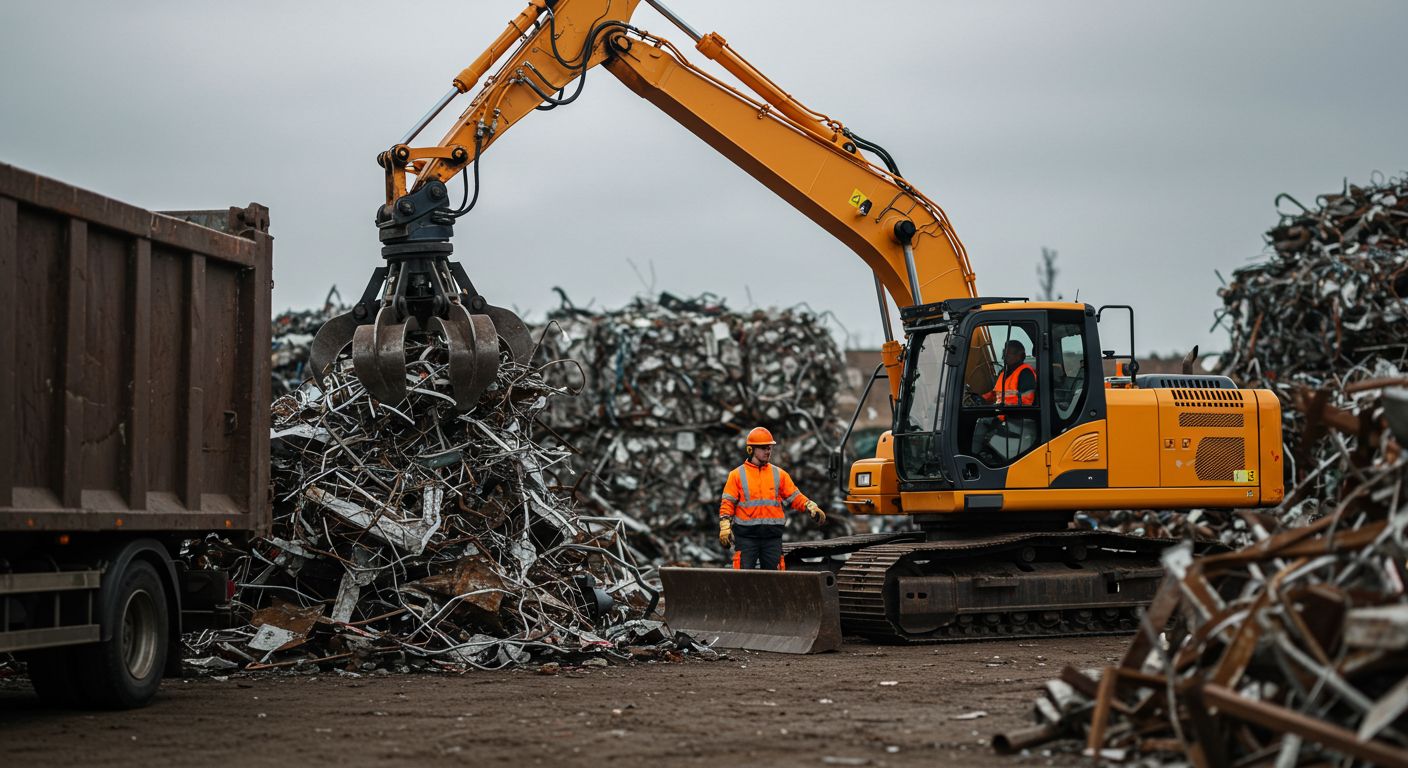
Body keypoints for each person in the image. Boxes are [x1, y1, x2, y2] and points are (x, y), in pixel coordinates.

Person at [718, 427, 826, 570]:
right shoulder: (736, 475)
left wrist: (809, 505)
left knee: (774, 580)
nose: (768, 451)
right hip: (746, 537)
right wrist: (725, 526)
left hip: (772, 537)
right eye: (763, 448)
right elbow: (728, 503)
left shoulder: (779, 474)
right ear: (751, 450)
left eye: (769, 448)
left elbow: (794, 496)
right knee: (742, 580)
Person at [971, 339, 1038, 464]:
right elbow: (995, 393)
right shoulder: (1004, 372)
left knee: (981, 422)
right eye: (1004, 352)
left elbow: (1027, 400)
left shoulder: (1025, 372)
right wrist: (981, 398)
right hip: (1001, 412)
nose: (1005, 355)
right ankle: (980, 455)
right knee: (973, 417)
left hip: (1014, 417)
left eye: (1009, 353)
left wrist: (1004, 408)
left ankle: (974, 458)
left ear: (1020, 355)